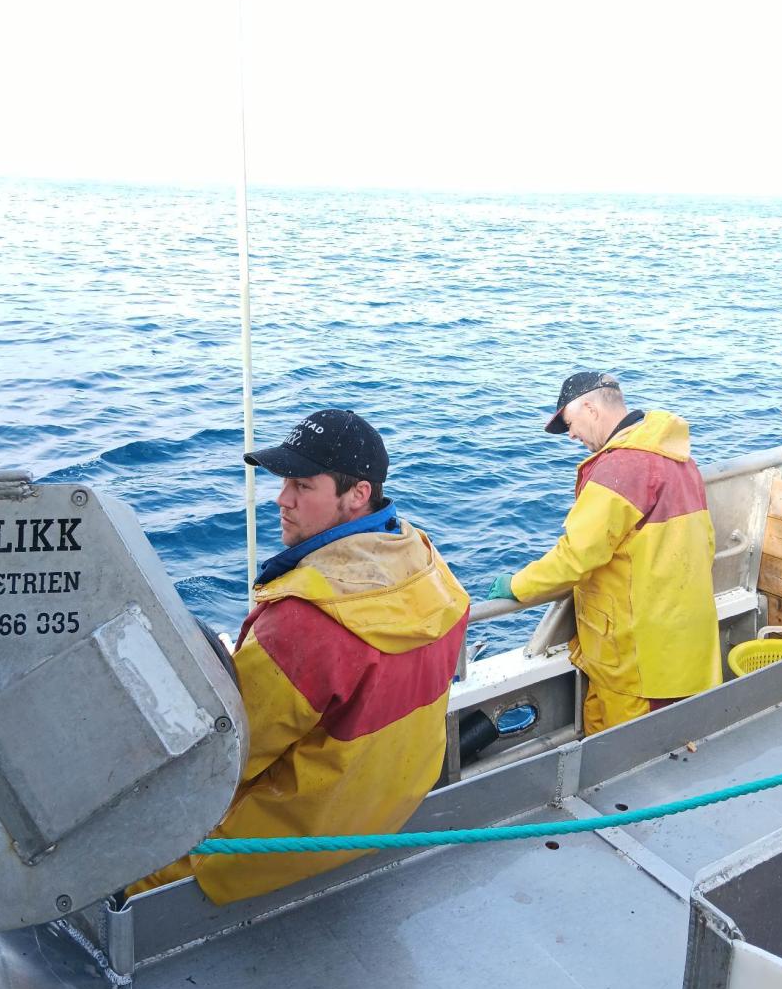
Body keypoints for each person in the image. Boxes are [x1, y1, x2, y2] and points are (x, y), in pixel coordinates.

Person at [129, 407, 469, 905]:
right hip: (385, 818)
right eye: (283, 481)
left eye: (303, 486)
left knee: (126, 873)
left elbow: (222, 762)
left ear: (358, 495)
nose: (281, 500)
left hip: (279, 849)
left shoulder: (302, 623)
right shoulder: (424, 560)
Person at [487, 371, 721, 735]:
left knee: (629, 760)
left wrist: (517, 585)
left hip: (638, 658)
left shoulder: (621, 469)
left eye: (569, 422)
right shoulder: (678, 457)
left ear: (590, 408)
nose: (571, 435)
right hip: (683, 640)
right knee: (669, 747)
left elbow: (575, 557)